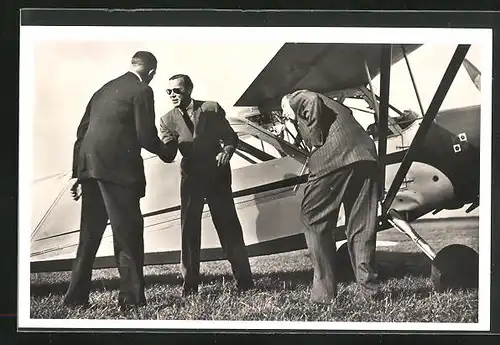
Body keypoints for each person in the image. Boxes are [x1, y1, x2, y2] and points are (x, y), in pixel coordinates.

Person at [63, 51, 178, 309]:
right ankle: (132, 301)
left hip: (89, 169)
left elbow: (81, 133)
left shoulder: (103, 90)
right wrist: (167, 150)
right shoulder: (142, 90)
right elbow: (146, 136)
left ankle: (75, 299)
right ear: (151, 73)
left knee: (89, 237)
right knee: (127, 235)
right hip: (118, 172)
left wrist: (77, 174)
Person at [281, 89, 381, 303]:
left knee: (312, 218)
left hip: (333, 158)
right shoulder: (335, 106)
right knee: (362, 227)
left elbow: (310, 99)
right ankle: (370, 293)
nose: (286, 116)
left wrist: (316, 139)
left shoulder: (295, 98)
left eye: (283, 112)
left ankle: (324, 295)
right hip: (366, 157)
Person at [159, 74, 254, 296]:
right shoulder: (166, 120)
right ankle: (190, 286)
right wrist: (159, 146)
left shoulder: (211, 108)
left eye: (177, 91)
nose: (172, 95)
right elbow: (169, 151)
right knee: (189, 230)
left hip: (217, 174)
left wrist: (228, 151)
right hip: (191, 177)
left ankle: (245, 281)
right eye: (169, 92)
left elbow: (230, 137)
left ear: (189, 90)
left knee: (229, 226)